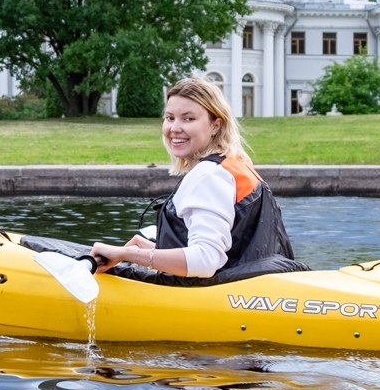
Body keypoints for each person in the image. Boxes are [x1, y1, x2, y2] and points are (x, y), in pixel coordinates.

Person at [91, 76, 295, 280]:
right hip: (253, 290)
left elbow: (205, 261)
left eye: (189, 119)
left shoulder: (209, 175)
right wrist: (153, 249)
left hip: (216, 301)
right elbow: (233, 256)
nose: (174, 128)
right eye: (170, 117)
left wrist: (128, 254)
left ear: (216, 125)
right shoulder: (234, 164)